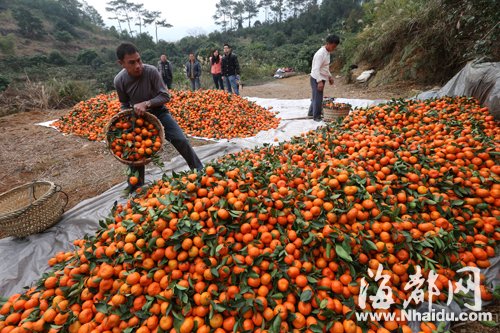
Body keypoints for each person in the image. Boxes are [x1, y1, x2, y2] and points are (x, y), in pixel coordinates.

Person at [114, 43, 203, 191]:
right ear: (121, 64)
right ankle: (135, 188)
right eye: (132, 62)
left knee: (181, 139)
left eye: (139, 60)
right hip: (139, 118)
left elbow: (164, 96)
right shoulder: (119, 80)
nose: (138, 65)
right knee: (135, 152)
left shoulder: (151, 72)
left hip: (159, 112)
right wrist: (127, 118)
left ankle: (199, 169)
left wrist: (146, 103)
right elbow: (124, 103)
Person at [307, 35, 340, 121]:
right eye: (333, 46)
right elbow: (316, 68)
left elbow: (325, 67)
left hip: (321, 77)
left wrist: (330, 77)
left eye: (335, 47)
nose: (334, 48)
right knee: (318, 97)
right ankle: (316, 116)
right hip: (316, 78)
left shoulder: (327, 52)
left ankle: (311, 112)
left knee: (316, 96)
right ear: (328, 44)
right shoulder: (320, 54)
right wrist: (319, 81)